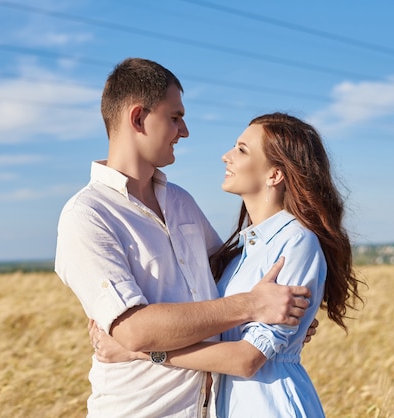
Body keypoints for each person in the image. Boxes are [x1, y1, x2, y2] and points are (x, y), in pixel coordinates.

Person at [54, 58, 313, 417]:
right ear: (138, 118)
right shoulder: (87, 216)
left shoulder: (181, 201)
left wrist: (286, 320)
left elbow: (226, 275)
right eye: (175, 117)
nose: (185, 131)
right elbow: (134, 331)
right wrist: (253, 306)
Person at [91, 112, 364, 417]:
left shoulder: (297, 242)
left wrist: (137, 351)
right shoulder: (242, 252)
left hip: (271, 406)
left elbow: (245, 360)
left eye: (242, 150)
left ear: (275, 175)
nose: (226, 156)